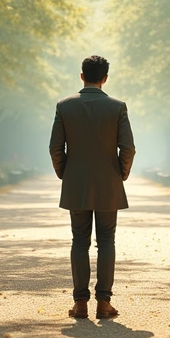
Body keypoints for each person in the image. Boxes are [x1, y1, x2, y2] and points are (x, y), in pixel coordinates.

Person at [49, 55, 135, 320]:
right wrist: (120, 173)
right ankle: (104, 303)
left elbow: (55, 148)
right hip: (108, 183)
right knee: (106, 240)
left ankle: (80, 304)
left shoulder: (64, 106)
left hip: (76, 184)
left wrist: (66, 174)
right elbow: (128, 148)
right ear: (105, 78)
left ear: (82, 76)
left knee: (79, 240)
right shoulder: (117, 107)